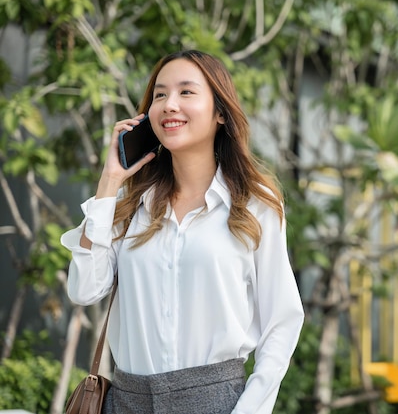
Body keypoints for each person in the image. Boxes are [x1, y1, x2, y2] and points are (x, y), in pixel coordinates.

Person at [61, 49, 305, 414]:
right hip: (126, 401)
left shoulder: (255, 204)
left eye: (186, 92)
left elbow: (282, 322)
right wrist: (110, 181)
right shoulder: (130, 205)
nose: (169, 104)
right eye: (160, 95)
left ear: (220, 112)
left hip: (216, 402)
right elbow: (84, 290)